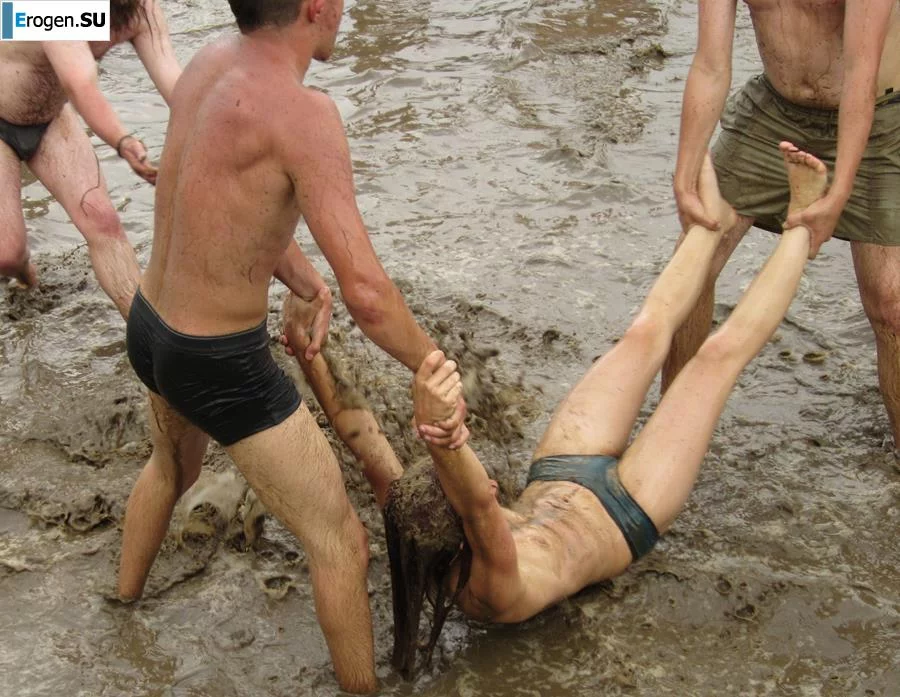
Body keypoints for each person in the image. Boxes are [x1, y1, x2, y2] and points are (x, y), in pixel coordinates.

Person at [283, 146, 828, 679]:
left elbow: (364, 439)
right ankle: (803, 226)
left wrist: (312, 358)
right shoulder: (488, 588)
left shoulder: (412, 520)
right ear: (460, 534)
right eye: (478, 493)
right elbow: (476, 501)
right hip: (626, 514)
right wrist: (440, 431)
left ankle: (709, 227)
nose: (494, 485)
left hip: (562, 472)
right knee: (715, 360)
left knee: (644, 334)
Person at [117, 0, 465, 692]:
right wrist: (436, 366)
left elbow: (219, 201)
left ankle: (120, 612)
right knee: (341, 541)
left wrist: (304, 280)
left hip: (151, 329)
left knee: (168, 467)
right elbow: (369, 292)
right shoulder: (306, 115)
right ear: (315, 7)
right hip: (219, 362)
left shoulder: (208, 64)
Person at [662, 1, 900, 449]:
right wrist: (685, 173)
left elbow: (860, 76)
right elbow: (711, 65)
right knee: (692, 261)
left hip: (879, 115)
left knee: (891, 304)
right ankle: (670, 431)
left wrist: (838, 193)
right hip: (774, 112)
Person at [0, 0, 181, 317]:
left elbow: (177, 86)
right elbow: (80, 85)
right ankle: (21, 264)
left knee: (103, 221)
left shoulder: (141, 10)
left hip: (51, 116)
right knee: (8, 254)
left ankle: (146, 331)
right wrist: (122, 141)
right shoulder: (60, 9)